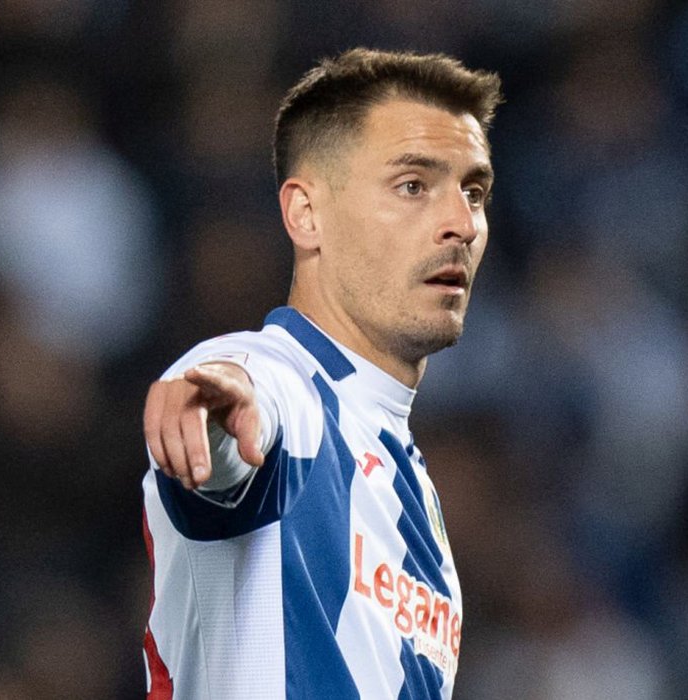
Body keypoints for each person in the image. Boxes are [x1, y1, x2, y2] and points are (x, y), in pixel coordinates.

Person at [142, 47, 502, 699]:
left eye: (472, 191)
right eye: (412, 186)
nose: (461, 225)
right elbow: (247, 419)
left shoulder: (411, 481)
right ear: (306, 215)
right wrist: (218, 416)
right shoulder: (279, 384)